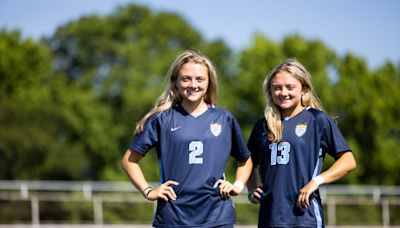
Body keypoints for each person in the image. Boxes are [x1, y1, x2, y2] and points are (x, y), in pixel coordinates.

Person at [121, 50, 253, 227]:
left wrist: (237, 185)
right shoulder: (162, 119)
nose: (193, 84)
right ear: (175, 81)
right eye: (186, 78)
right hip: (173, 217)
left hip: (217, 216)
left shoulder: (224, 118)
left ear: (209, 82)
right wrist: (148, 191)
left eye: (200, 79)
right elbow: (129, 161)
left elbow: (245, 159)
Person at [246, 58, 356, 227]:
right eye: (277, 88)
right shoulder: (262, 125)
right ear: (270, 90)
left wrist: (316, 182)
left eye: (290, 87)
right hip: (270, 218)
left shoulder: (316, 119)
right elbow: (247, 162)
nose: (283, 93)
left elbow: (348, 161)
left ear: (303, 88)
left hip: (305, 217)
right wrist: (252, 189)